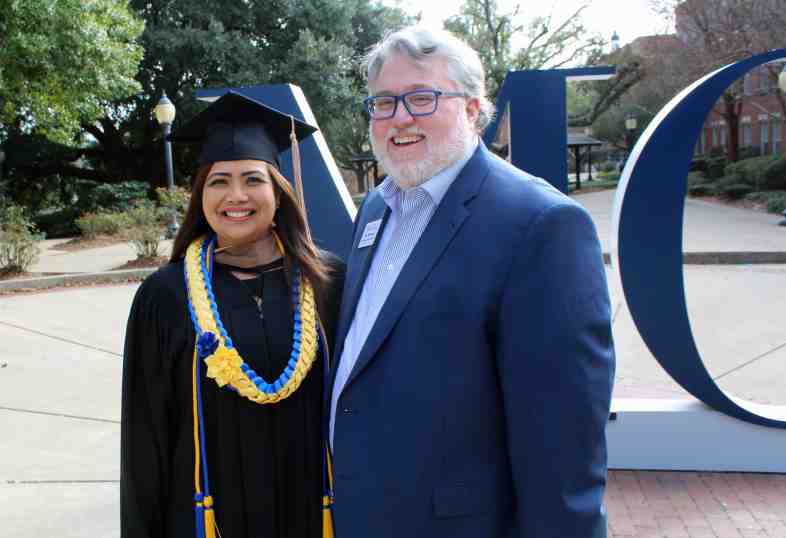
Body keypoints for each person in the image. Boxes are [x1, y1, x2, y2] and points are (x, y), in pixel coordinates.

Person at [328, 26, 615, 538]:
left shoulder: (540, 224)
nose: (400, 118)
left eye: (422, 98)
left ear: (472, 108)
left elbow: (564, 445)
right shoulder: (376, 206)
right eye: (384, 102)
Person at [121, 91, 343, 538]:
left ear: (278, 192)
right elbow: (144, 441)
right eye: (219, 180)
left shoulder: (327, 282)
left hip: (313, 511)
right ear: (200, 194)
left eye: (253, 179)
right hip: (207, 518)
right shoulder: (164, 296)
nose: (236, 195)